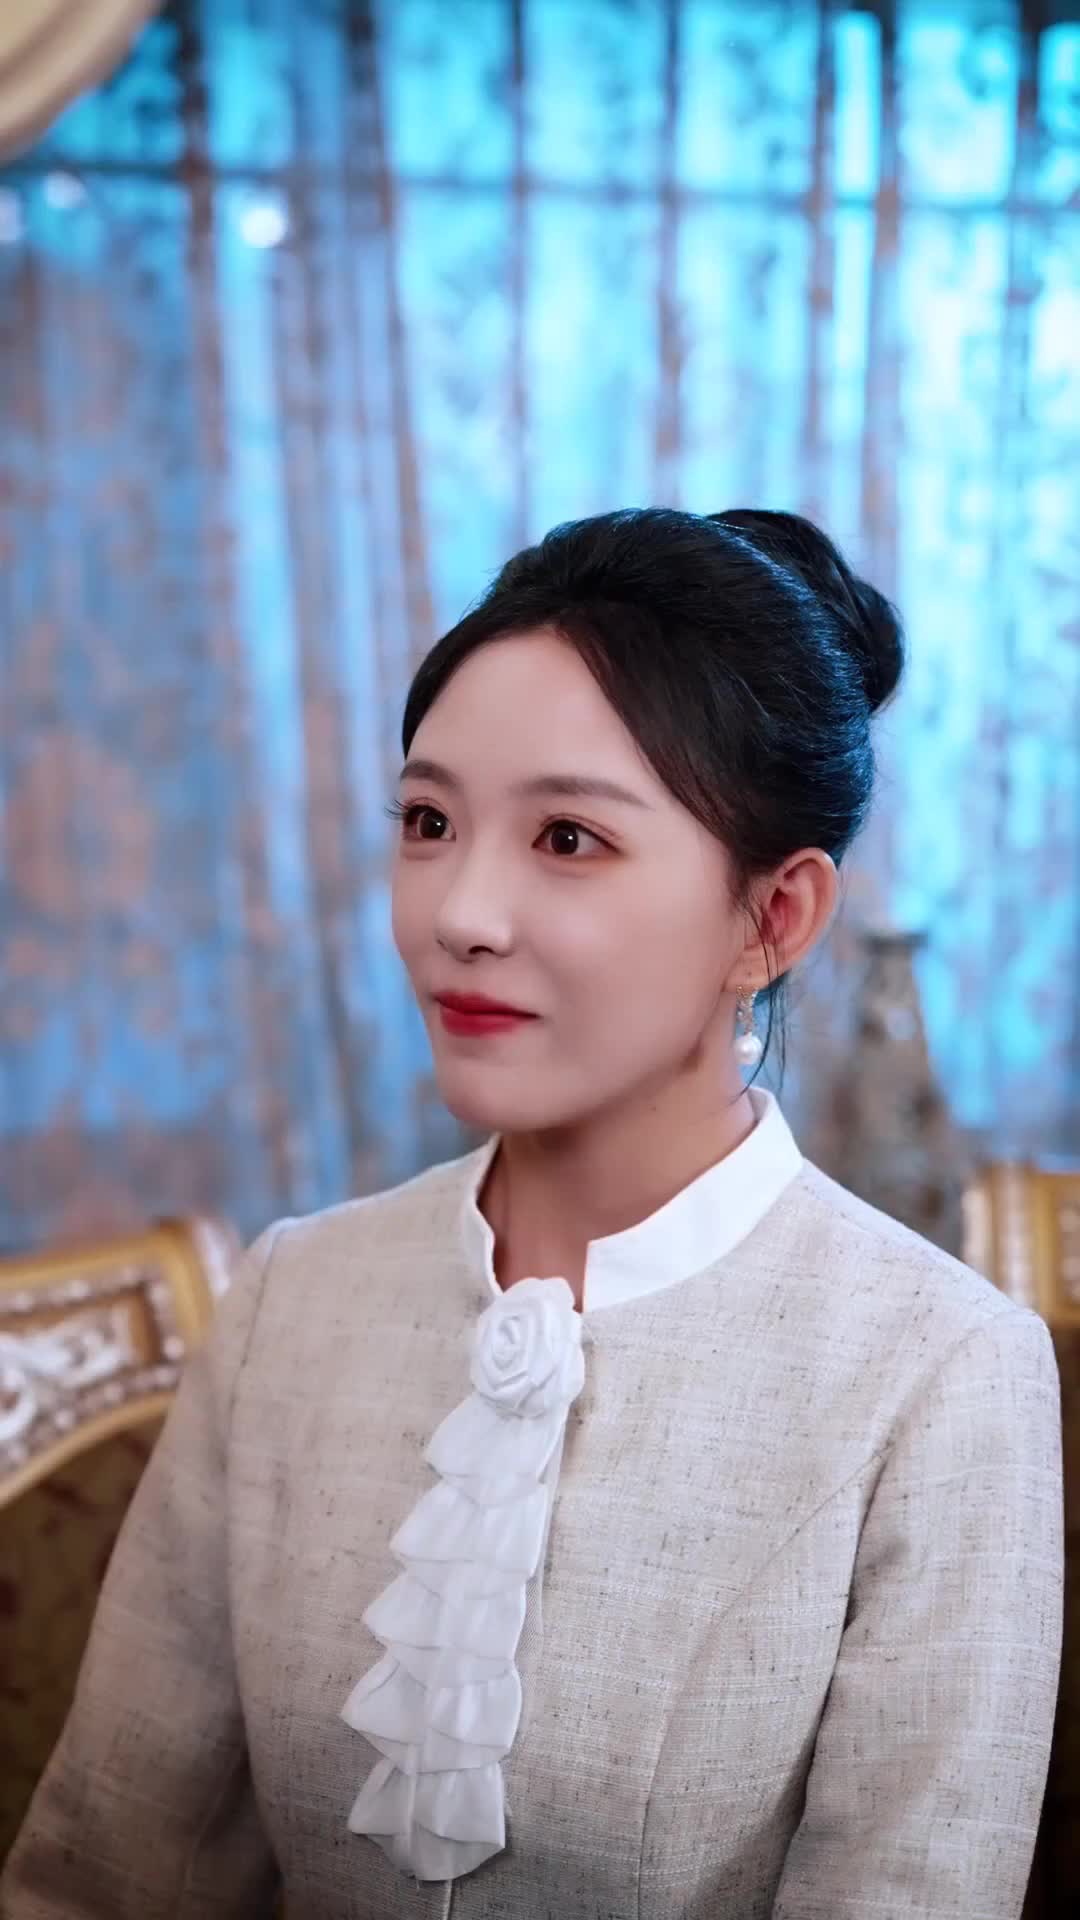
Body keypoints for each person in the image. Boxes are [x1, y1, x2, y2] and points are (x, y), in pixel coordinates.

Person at [2, 508, 1062, 1919]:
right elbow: (105, 1874)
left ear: (775, 919)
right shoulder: (289, 1304)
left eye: (568, 837)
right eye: (428, 823)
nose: (461, 914)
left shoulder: (938, 1375)